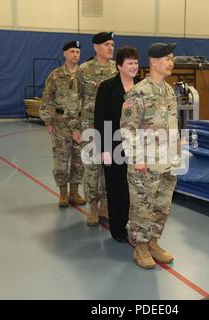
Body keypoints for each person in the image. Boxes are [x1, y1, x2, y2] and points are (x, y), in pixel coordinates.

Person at [120, 43, 181, 269]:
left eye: (172, 58)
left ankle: (154, 242)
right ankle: (141, 247)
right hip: (144, 164)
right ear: (154, 61)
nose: (171, 62)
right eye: (167, 58)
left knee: (162, 206)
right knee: (142, 207)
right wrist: (137, 158)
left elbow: (173, 125)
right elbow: (127, 129)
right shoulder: (138, 92)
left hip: (166, 162)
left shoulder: (169, 92)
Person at [94, 46, 139, 242]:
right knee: (116, 188)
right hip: (113, 146)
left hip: (136, 148)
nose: (134, 67)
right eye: (130, 63)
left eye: (136, 63)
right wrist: (104, 149)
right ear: (119, 66)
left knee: (134, 189)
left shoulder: (141, 88)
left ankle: (133, 226)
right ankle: (118, 229)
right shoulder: (107, 87)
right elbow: (100, 119)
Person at [39, 40, 86, 207]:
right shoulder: (55, 75)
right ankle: (63, 194)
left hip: (79, 123)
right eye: (72, 51)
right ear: (65, 54)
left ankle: (75, 193)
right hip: (60, 122)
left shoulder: (84, 75)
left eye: (78, 52)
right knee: (61, 158)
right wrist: (47, 121)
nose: (75, 54)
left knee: (79, 160)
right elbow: (47, 98)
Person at [78, 32, 118, 226]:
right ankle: (93, 207)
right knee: (92, 169)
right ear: (96, 47)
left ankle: (106, 206)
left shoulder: (118, 70)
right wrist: (73, 127)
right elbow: (74, 99)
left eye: (112, 44)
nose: (111, 47)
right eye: (106, 44)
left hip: (111, 127)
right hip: (89, 127)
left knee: (110, 169)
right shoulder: (83, 70)